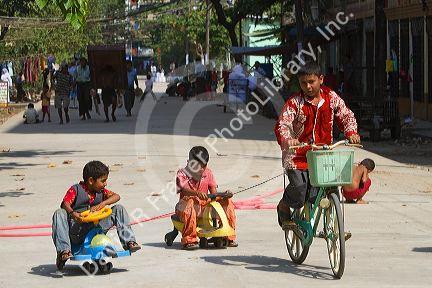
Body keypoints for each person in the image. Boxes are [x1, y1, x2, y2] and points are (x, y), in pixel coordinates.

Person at [274, 62, 360, 229]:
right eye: (303, 83)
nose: (308, 86)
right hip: (297, 156)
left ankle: (335, 230)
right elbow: (282, 125)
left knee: (325, 191)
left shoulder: (331, 97)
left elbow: (346, 115)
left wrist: (352, 133)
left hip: (323, 154)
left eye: (311, 81)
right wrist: (289, 139)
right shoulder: (295, 103)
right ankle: (284, 204)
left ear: (321, 79)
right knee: (299, 191)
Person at [51, 160, 141, 270]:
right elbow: (65, 203)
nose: (105, 184)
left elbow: (117, 196)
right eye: (103, 181)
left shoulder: (101, 191)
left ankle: (129, 242)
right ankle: (64, 251)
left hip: (97, 229)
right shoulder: (76, 189)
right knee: (59, 213)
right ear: (90, 181)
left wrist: (103, 203)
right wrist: (73, 213)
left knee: (119, 209)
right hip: (78, 231)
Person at [175, 146, 238, 250]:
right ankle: (189, 239)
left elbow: (214, 194)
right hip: (185, 208)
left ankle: (228, 235)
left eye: (203, 166)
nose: (201, 170)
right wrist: (197, 193)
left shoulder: (208, 173)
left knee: (227, 201)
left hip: (204, 209)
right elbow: (183, 189)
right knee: (191, 201)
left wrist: (224, 195)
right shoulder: (181, 173)